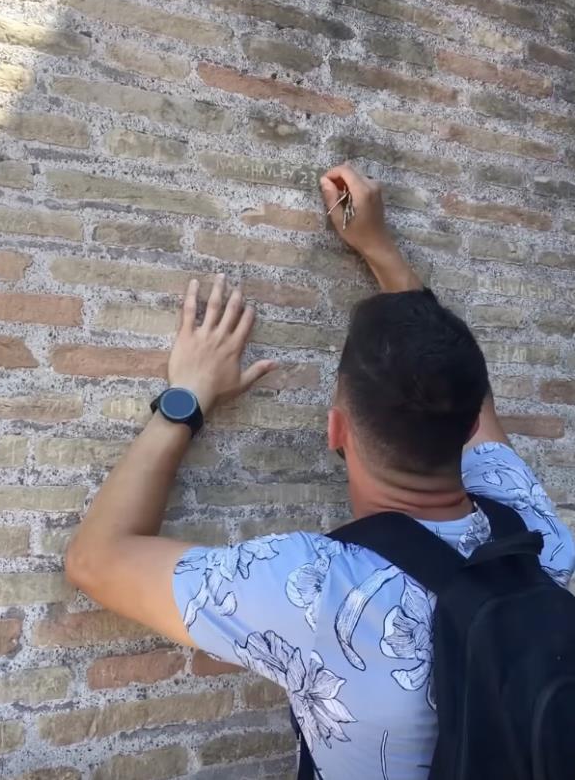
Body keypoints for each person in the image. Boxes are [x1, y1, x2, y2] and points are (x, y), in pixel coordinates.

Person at [65, 164, 575, 780]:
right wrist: (382, 250)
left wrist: (188, 397)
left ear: (336, 432)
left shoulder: (311, 589)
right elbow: (472, 393)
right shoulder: (534, 527)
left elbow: (96, 558)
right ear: (468, 431)